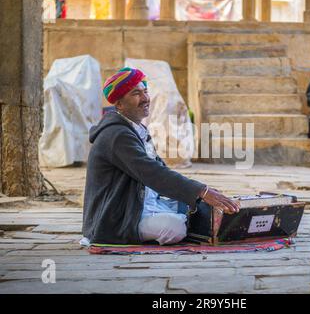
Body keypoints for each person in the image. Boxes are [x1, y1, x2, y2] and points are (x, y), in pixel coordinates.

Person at [82, 67, 240, 246]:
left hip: (143, 205)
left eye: (145, 91)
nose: (145, 98)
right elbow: (153, 173)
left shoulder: (135, 129)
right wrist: (201, 191)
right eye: (136, 94)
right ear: (118, 104)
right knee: (175, 228)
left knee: (195, 206)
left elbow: (161, 169)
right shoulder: (116, 135)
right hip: (117, 217)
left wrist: (198, 193)